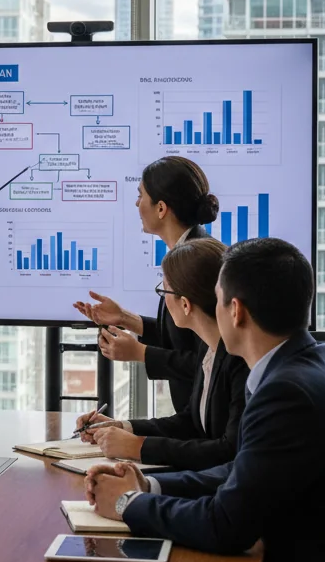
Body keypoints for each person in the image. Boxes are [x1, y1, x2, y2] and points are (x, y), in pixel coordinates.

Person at [86, 238, 325, 562]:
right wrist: (150, 484)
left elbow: (225, 526)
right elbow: (244, 470)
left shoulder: (286, 391)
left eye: (218, 298)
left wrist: (127, 503)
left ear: (236, 311)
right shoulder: (304, 363)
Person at [76, 238, 248, 471]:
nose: (163, 300)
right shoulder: (209, 349)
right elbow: (190, 421)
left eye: (164, 290)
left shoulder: (240, 359)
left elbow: (229, 451)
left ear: (185, 304)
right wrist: (122, 427)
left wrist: (137, 447)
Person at [73, 155, 218, 413]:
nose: (137, 203)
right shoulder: (187, 251)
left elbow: (208, 360)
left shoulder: (195, 263)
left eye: (141, 195)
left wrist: (141, 353)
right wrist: (125, 318)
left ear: (161, 208)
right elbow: (182, 338)